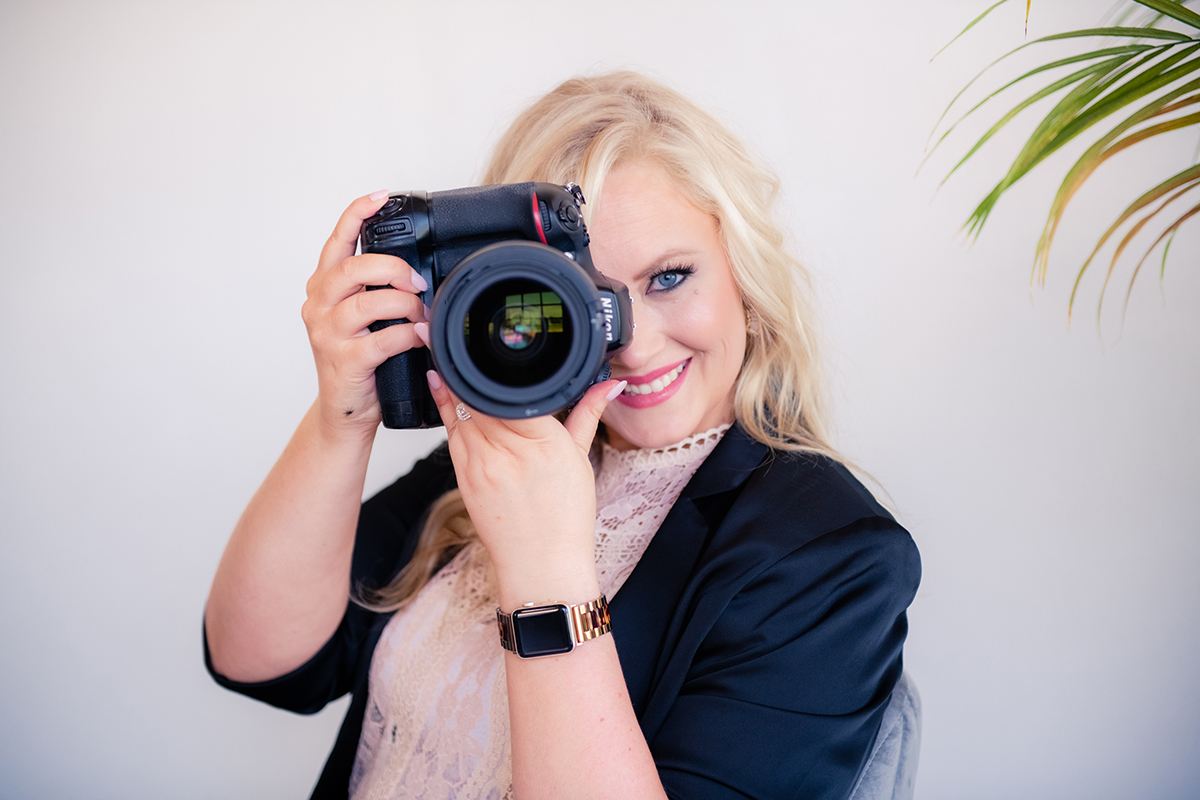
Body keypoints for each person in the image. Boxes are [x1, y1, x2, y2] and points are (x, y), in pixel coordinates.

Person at [203, 70, 921, 800]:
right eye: (582, 298)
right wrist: (342, 416)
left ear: (745, 273)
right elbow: (258, 661)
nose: (633, 345)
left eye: (669, 277)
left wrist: (544, 570)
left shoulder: (832, 557)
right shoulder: (497, 456)